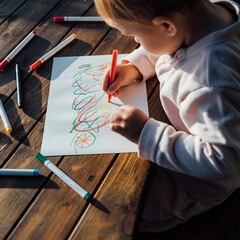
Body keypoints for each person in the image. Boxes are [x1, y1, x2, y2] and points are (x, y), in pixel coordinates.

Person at [94, 0, 240, 234]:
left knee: (122, 215)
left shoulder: (210, 80)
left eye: (134, 35)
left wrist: (146, 133)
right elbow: (168, 45)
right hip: (211, 126)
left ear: (166, 25)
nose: (135, 41)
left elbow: (224, 161)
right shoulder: (204, 14)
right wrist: (135, 66)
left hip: (204, 180)